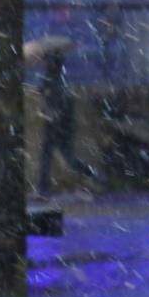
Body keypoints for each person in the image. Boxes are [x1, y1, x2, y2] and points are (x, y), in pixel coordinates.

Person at [37, 48, 103, 195]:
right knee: (63, 158)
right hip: (59, 125)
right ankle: (94, 175)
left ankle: (44, 188)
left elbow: (57, 105)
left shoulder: (56, 81)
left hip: (57, 125)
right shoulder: (54, 79)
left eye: (47, 61)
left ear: (52, 63)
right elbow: (49, 100)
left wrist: (49, 114)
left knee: (55, 157)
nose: (44, 64)